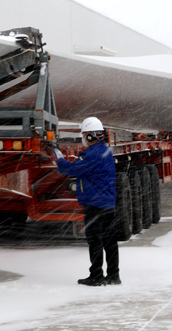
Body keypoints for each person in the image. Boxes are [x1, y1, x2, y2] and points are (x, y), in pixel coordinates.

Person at [51, 116, 121, 286]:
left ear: (90, 136)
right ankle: (113, 275)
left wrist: (58, 156)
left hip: (94, 203)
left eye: (84, 134)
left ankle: (96, 275)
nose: (83, 138)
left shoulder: (92, 154)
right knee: (109, 240)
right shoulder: (104, 150)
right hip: (106, 202)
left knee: (95, 239)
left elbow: (71, 169)